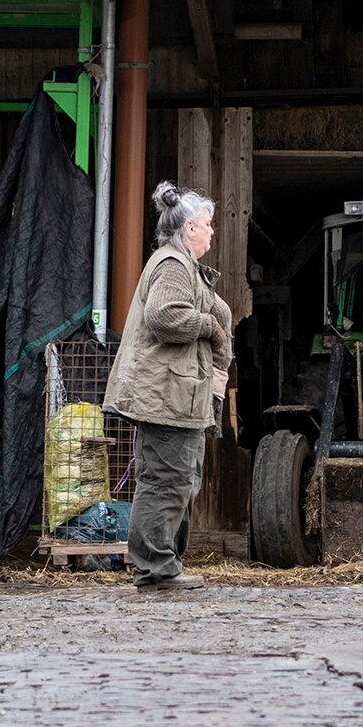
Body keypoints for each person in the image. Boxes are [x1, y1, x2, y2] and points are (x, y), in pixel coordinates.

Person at [104, 182, 236, 593]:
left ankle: (166, 566)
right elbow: (164, 315)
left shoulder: (184, 266)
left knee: (180, 480)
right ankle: (155, 570)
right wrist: (210, 326)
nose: (213, 232)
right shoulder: (172, 265)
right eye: (209, 225)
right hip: (166, 397)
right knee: (166, 479)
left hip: (180, 396)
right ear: (190, 228)